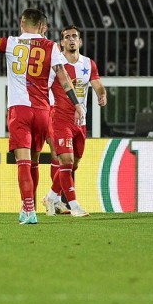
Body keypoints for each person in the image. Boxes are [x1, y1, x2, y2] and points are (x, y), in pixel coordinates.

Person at [0, 9, 84, 225]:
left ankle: (28, 209)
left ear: (22, 22)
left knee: (23, 162)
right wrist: (77, 104)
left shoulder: (10, 42)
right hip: (42, 111)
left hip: (19, 110)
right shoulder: (52, 47)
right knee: (35, 162)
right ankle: (30, 208)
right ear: (43, 26)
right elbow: (64, 77)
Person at [42, 25, 107, 217]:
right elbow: (43, 89)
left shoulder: (88, 63)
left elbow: (98, 85)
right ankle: (75, 206)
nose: (71, 39)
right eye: (67, 37)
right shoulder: (56, 63)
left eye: (74, 36)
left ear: (80, 42)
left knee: (73, 164)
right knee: (67, 161)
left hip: (80, 120)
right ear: (62, 42)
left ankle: (51, 197)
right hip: (59, 118)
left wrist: (102, 95)